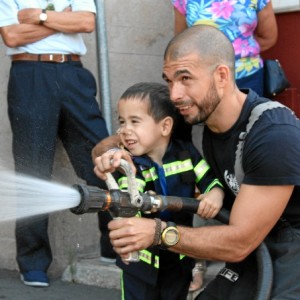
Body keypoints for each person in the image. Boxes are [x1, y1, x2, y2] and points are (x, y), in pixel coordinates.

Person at [93, 25, 300, 299]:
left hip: (288, 244)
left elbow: (239, 243)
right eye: (169, 80)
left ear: (221, 76)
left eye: (185, 78)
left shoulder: (272, 134)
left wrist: (158, 233)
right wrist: (114, 152)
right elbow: (109, 144)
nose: (175, 94)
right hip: (255, 246)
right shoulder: (191, 114)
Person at [0, 0, 115, 287]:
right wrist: (59, 19)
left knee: (102, 158)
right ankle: (33, 262)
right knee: (32, 168)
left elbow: (86, 23)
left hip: (73, 74)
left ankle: (114, 245)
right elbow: (11, 36)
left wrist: (38, 17)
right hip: (30, 76)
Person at [103, 81, 224, 300]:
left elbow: (210, 179)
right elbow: (126, 204)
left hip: (178, 255)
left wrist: (215, 193)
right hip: (140, 261)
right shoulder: (131, 166)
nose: (124, 130)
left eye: (135, 121)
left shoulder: (186, 154)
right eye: (121, 122)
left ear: (165, 126)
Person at [171, 0, 278, 97]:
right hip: (203, 77)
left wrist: (241, 51)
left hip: (247, 75)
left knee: (249, 117)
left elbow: (268, 37)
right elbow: (182, 42)